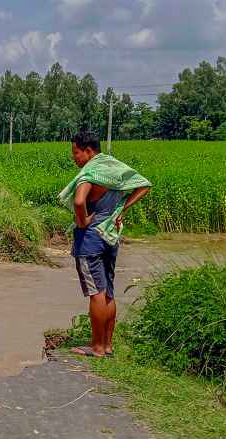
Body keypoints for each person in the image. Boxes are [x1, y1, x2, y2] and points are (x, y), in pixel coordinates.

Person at [63, 131, 152, 358]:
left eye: (76, 152)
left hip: (91, 238)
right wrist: (122, 208)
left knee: (96, 293)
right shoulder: (114, 169)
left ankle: (97, 348)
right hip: (110, 236)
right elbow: (144, 185)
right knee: (108, 292)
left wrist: (82, 221)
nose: (74, 158)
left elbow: (80, 200)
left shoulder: (90, 173)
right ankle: (108, 345)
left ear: (88, 151)